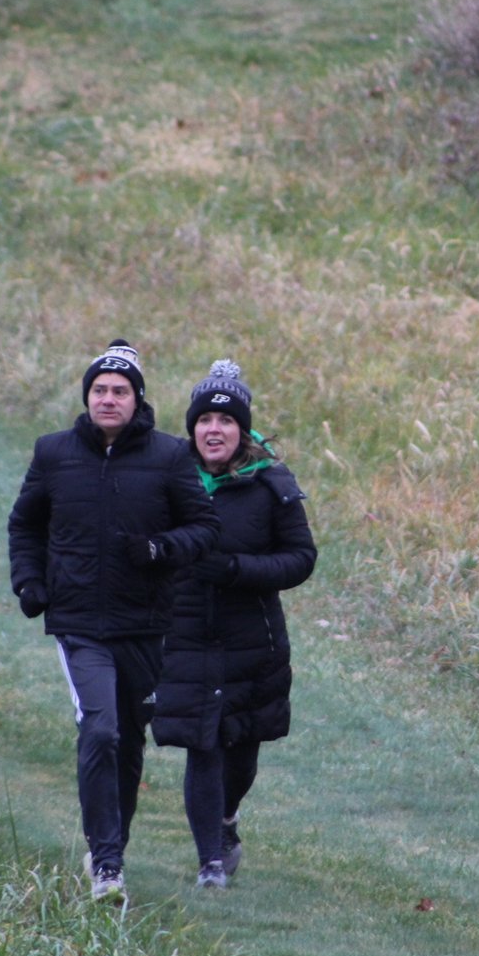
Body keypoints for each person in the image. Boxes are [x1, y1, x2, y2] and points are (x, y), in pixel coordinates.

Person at [7, 339, 220, 904]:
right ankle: (106, 865)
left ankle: (111, 847)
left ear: (137, 399)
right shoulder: (53, 453)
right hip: (78, 623)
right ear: (87, 397)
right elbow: (24, 524)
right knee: (100, 730)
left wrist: (158, 548)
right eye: (99, 389)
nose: (108, 399)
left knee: (127, 742)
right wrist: (29, 581)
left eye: (120, 391)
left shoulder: (169, 456)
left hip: (145, 624)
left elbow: (204, 529)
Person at [152, 359, 317, 889]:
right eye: (204, 420)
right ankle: (210, 864)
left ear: (242, 430)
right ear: (192, 427)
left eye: (226, 421)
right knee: (203, 745)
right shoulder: (167, 478)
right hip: (184, 636)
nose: (214, 429)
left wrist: (235, 570)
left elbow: (300, 559)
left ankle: (226, 820)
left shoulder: (270, 484)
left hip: (252, 641)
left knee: (241, 750)